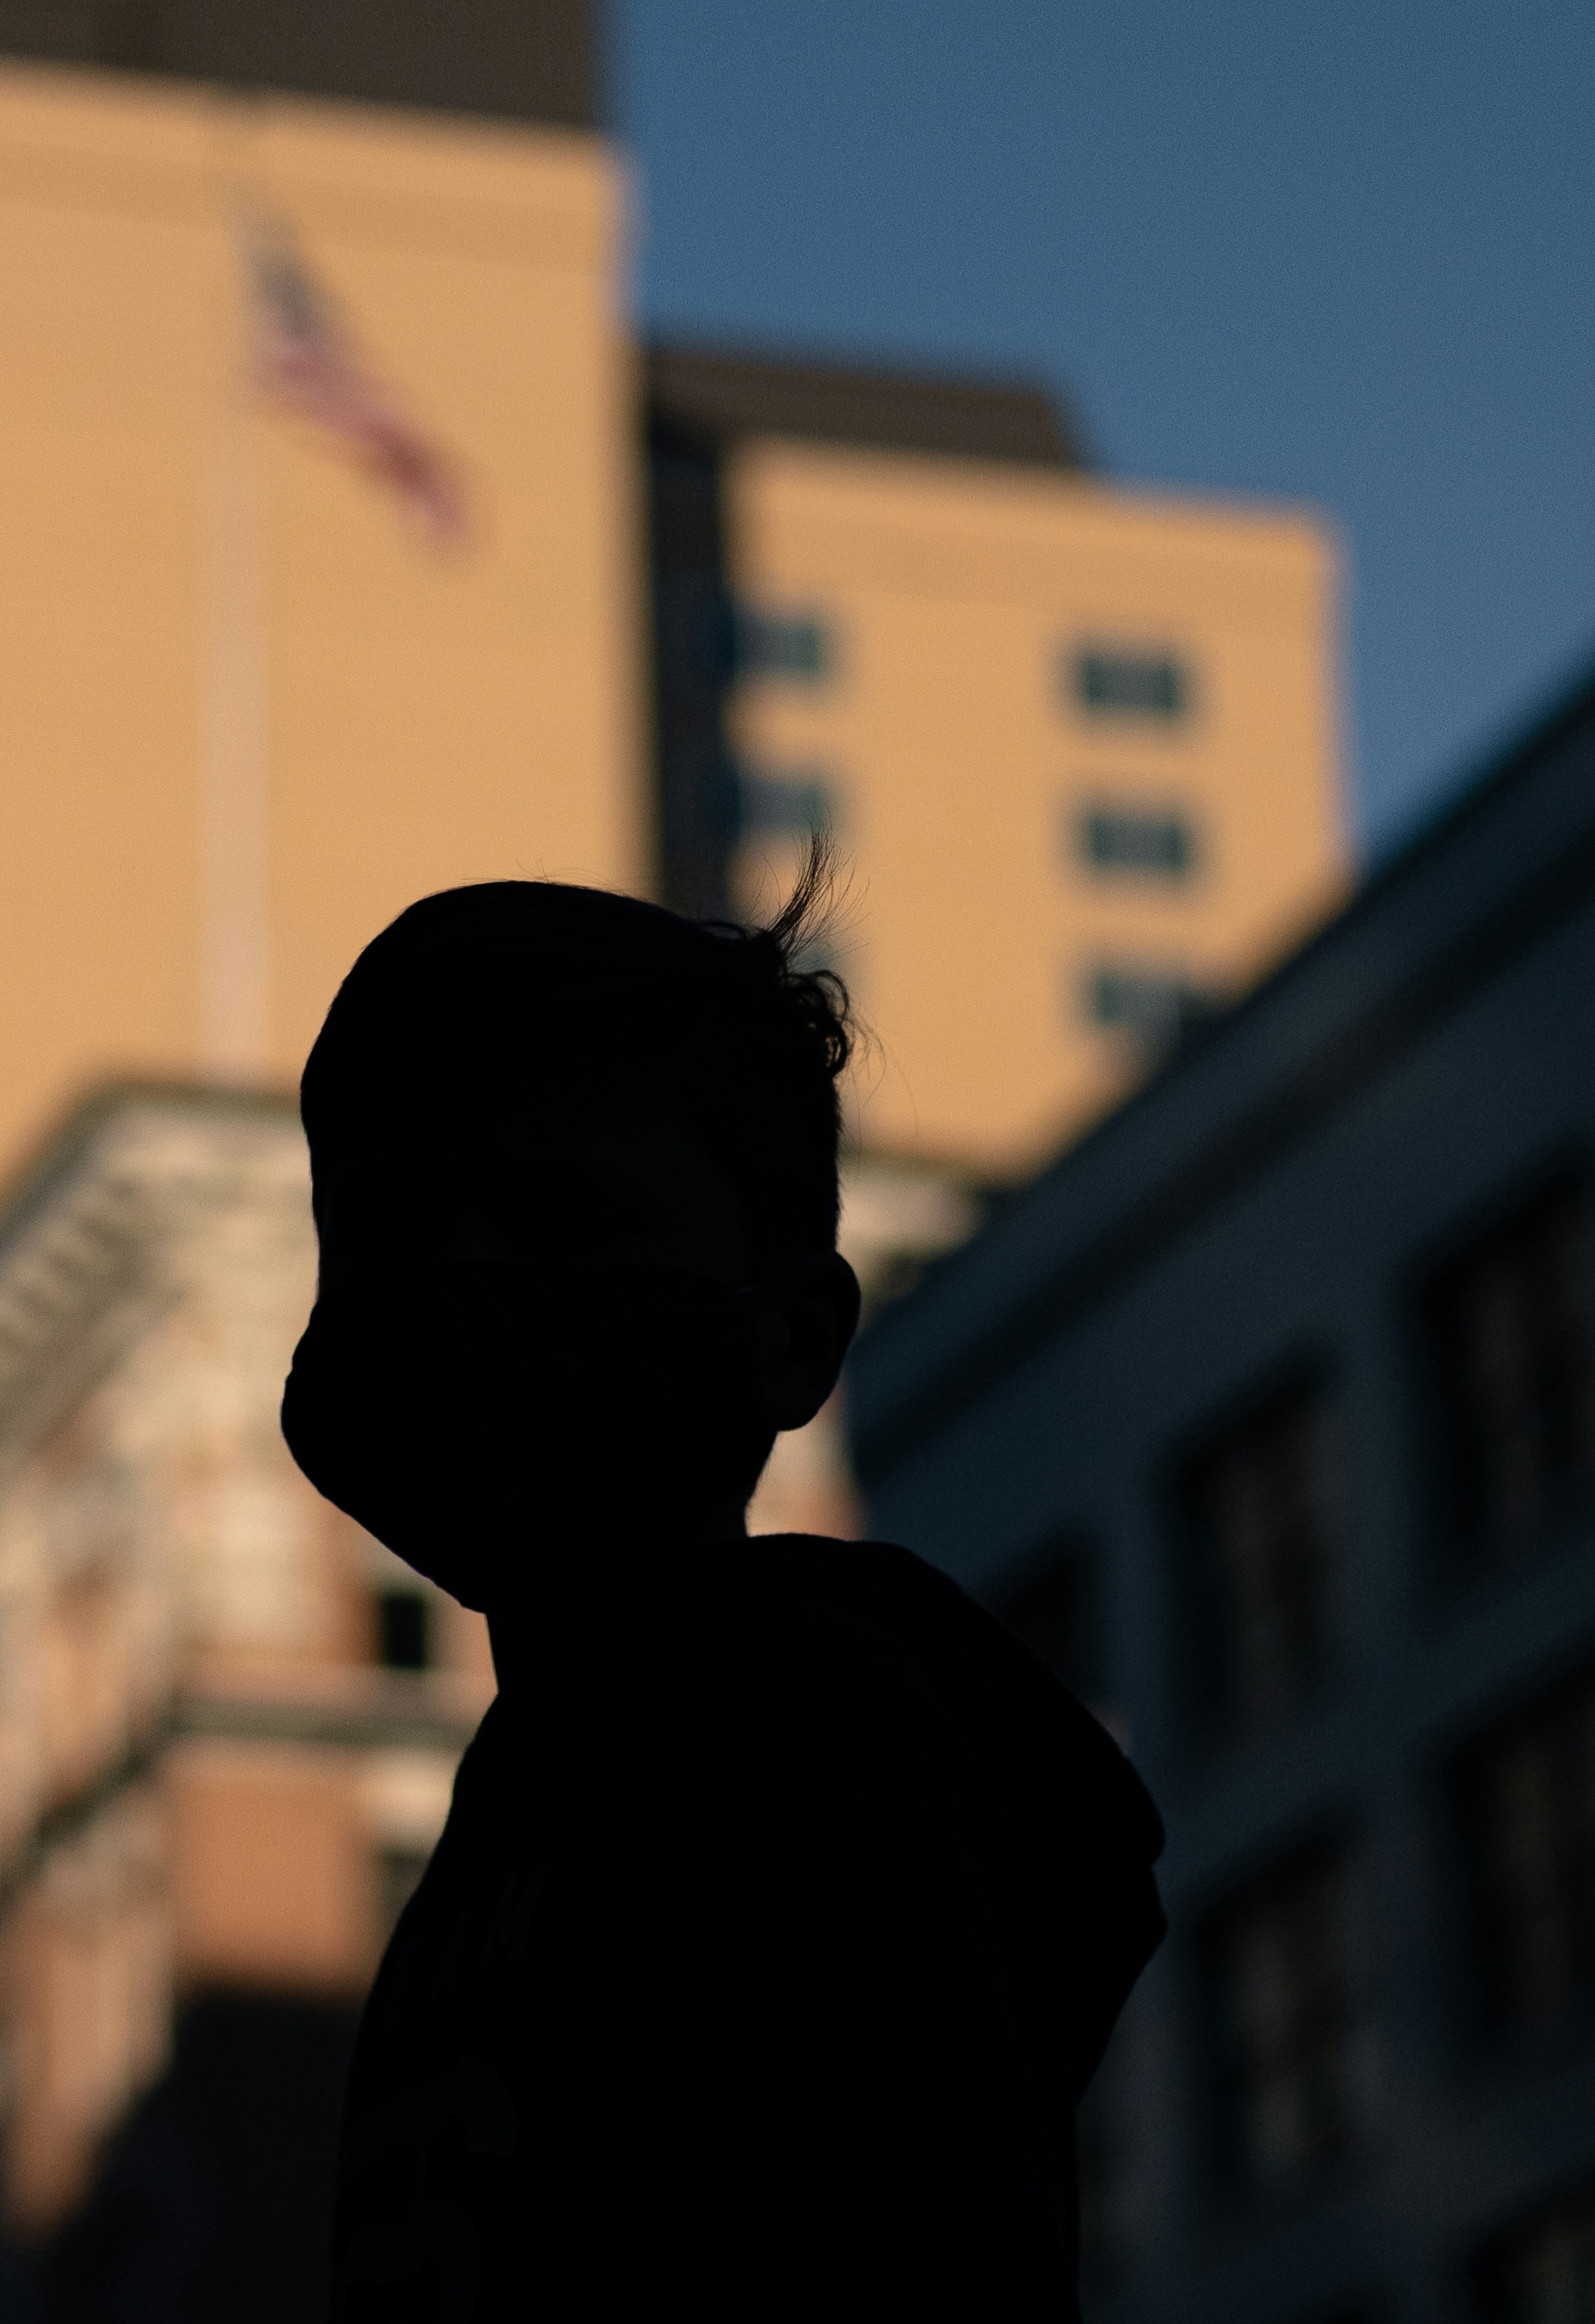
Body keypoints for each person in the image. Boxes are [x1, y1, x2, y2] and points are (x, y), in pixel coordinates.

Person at [282, 858, 1163, 2322]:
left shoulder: (802, 1734)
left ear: (788, 1336)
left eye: (565, 1221)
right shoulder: (533, 1805)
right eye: (403, 1241)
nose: (475, 1287)